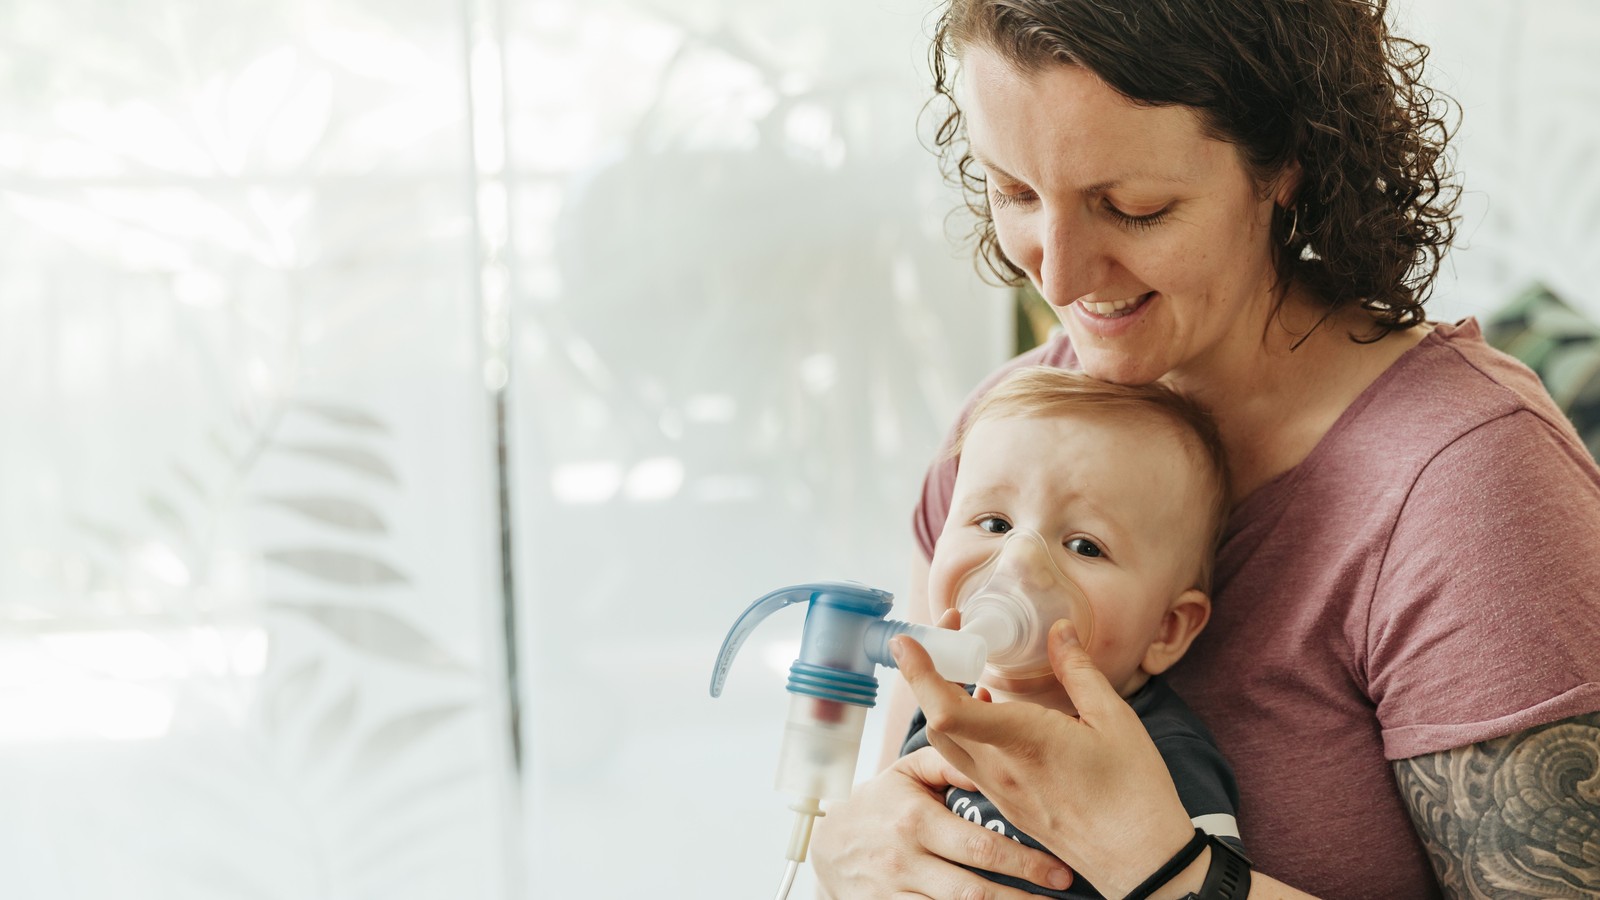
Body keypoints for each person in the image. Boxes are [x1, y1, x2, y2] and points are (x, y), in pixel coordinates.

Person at [808, 1, 1600, 898]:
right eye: (1015, 192)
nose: (1059, 275)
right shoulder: (1006, 424)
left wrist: (1173, 872)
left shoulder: (1466, 486)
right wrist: (853, 850)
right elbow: (905, 794)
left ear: (1290, 161)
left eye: (1135, 208)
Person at [900, 365, 1244, 899]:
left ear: (1167, 629)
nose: (1018, 563)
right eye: (994, 524)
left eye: (1085, 546)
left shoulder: (1162, 757)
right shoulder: (942, 708)